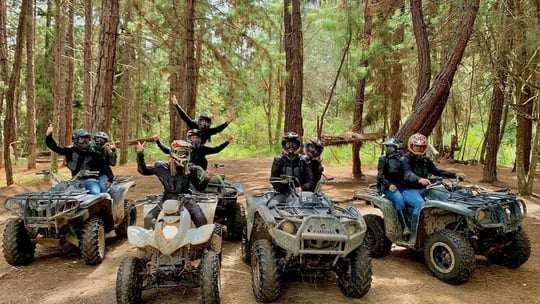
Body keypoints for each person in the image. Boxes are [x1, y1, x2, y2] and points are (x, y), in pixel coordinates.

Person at [399, 133, 464, 243]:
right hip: (407, 189)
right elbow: (407, 174)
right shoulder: (405, 159)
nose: (419, 148)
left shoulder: (425, 160)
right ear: (411, 145)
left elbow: (437, 172)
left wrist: (455, 174)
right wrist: (419, 179)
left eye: (422, 146)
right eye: (417, 146)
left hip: (423, 189)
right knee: (420, 204)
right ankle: (414, 234)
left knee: (445, 196)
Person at [136, 139, 214, 229]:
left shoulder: (191, 169)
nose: (184, 156)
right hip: (167, 199)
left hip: (186, 200)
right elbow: (143, 170)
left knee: (201, 219)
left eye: (186, 153)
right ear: (173, 153)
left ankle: (204, 242)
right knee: (149, 218)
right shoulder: (161, 167)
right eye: (181, 153)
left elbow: (199, 188)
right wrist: (140, 154)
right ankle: (152, 240)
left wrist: (207, 178)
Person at [46, 125, 105, 194]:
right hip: (75, 182)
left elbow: (104, 160)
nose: (85, 142)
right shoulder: (70, 151)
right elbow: (55, 147)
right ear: (75, 140)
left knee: (95, 193)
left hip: (91, 181)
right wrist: (48, 136)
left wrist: (107, 150)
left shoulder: (93, 152)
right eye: (82, 139)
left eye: (87, 139)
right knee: (61, 194)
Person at [268, 132, 314, 208]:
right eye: (288, 145)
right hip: (283, 194)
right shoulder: (278, 160)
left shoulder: (304, 160)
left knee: (320, 207)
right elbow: (273, 180)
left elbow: (310, 180)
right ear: (284, 145)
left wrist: (301, 188)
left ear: (298, 145)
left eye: (294, 145)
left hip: (302, 194)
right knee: (272, 206)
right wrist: (288, 191)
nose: (291, 148)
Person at [376, 138, 409, 236]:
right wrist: (389, 185)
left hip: (401, 185)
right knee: (399, 199)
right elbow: (380, 176)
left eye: (391, 147)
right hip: (388, 186)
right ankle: (405, 227)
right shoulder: (384, 159)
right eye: (387, 147)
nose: (388, 149)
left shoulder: (404, 159)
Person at [169, 95, 236, 144]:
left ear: (209, 124)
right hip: (189, 147)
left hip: (200, 150)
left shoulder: (209, 131)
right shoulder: (193, 124)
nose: (204, 123)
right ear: (199, 121)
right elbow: (184, 116)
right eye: (203, 121)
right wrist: (176, 105)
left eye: (206, 122)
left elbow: (219, 129)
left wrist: (228, 122)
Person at [153, 129, 232, 170]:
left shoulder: (203, 149)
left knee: (204, 160)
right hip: (186, 173)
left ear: (199, 139)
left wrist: (227, 142)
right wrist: (158, 141)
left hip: (199, 174)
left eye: (197, 138)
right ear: (189, 139)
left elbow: (216, 149)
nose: (195, 140)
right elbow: (167, 150)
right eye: (193, 138)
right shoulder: (184, 148)